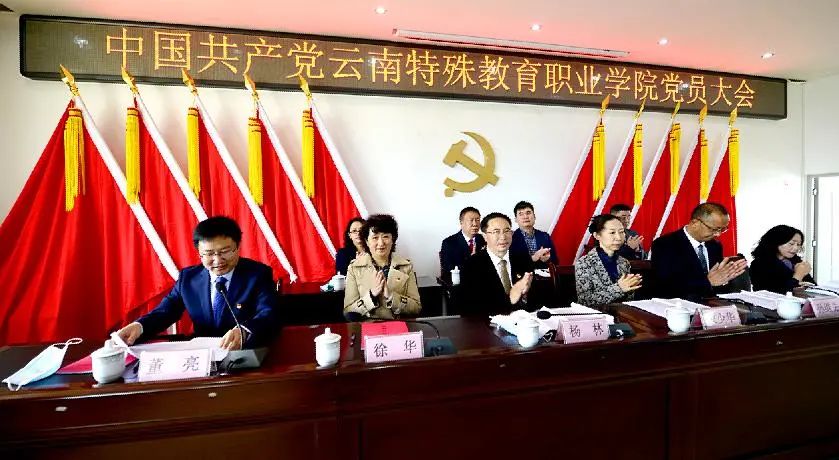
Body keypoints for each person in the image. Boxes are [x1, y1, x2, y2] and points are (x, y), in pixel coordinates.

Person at [115, 216, 280, 350]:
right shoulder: (188, 278)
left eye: (225, 252)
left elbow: (269, 313)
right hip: (203, 355)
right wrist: (139, 326)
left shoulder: (257, 274)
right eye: (209, 254)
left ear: (237, 247)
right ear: (199, 253)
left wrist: (245, 331)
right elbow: (165, 311)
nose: (217, 260)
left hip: (244, 352)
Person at [650, 202, 748, 300]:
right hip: (678, 304)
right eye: (714, 229)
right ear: (695, 223)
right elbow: (666, 285)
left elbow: (717, 282)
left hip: (711, 303)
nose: (718, 234)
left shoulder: (714, 245)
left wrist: (727, 278)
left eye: (722, 230)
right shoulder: (665, 244)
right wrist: (707, 282)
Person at [343, 214, 421, 319]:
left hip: (399, 326)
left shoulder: (406, 267)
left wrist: (392, 296)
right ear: (366, 241)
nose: (381, 243)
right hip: (368, 326)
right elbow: (348, 312)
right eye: (375, 237)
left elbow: (416, 308)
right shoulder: (354, 268)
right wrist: (371, 296)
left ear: (393, 239)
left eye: (385, 237)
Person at [460, 212, 535, 316]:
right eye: (496, 232)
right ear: (485, 236)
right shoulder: (471, 265)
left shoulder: (523, 259)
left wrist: (524, 296)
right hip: (488, 323)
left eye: (507, 231)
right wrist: (511, 298)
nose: (503, 237)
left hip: (524, 321)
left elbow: (536, 299)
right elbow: (471, 308)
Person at [575, 214, 643, 306]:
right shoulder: (584, 263)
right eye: (612, 233)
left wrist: (632, 286)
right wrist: (619, 288)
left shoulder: (624, 262)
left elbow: (628, 300)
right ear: (597, 235)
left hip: (622, 312)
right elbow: (585, 301)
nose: (619, 238)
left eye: (621, 232)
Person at [750, 225, 815, 293]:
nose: (796, 248)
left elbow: (813, 287)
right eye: (791, 243)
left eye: (798, 244)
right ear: (776, 242)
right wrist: (798, 275)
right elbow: (774, 293)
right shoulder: (759, 264)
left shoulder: (796, 261)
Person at [440, 206, 486, 283]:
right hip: (461, 283)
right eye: (471, 220)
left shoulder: (484, 239)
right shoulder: (449, 243)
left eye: (477, 220)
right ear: (461, 222)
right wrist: (471, 261)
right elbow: (448, 269)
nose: (475, 224)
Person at [510, 201, 557, 268]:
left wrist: (548, 259)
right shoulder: (510, 238)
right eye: (521, 214)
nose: (525, 216)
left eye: (528, 213)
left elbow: (556, 261)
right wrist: (533, 258)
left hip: (543, 274)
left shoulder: (545, 236)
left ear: (534, 217)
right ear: (516, 220)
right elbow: (510, 264)